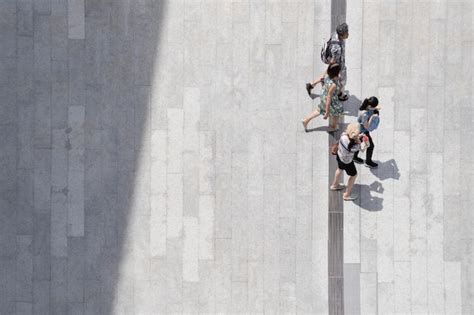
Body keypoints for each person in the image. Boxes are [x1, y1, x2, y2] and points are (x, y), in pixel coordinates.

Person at [306, 23, 349, 101]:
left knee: (326, 75)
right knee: (343, 80)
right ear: (342, 35)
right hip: (338, 66)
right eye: (346, 33)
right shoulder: (337, 49)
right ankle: (340, 94)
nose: (348, 34)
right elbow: (333, 62)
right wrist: (335, 71)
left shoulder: (335, 34)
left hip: (335, 61)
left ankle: (311, 85)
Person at [330, 122, 369, 201]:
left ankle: (334, 185)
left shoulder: (343, 135)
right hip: (347, 162)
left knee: (339, 169)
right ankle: (347, 195)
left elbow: (351, 137)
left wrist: (358, 136)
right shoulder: (356, 145)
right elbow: (362, 149)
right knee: (353, 175)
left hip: (339, 156)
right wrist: (366, 142)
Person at [302, 63, 344, 133]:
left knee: (320, 109)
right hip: (330, 99)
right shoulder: (333, 85)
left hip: (324, 95)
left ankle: (305, 120)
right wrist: (327, 112)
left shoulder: (327, 74)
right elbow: (329, 98)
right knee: (338, 111)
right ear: (336, 73)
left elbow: (323, 78)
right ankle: (333, 126)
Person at [353, 96, 380, 168]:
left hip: (359, 129)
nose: (375, 107)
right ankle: (368, 162)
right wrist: (372, 117)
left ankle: (354, 157)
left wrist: (375, 110)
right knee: (371, 146)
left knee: (358, 143)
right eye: (374, 106)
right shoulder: (364, 114)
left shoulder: (364, 105)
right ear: (370, 106)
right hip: (362, 132)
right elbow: (367, 126)